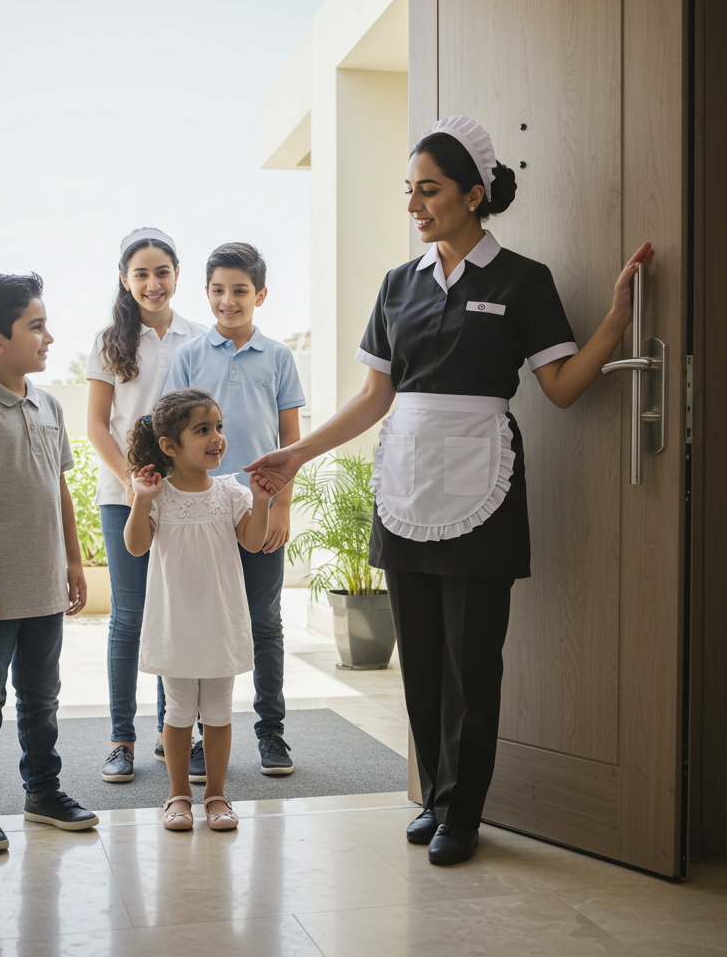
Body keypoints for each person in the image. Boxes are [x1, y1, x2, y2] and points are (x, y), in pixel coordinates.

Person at [246, 115, 653, 866]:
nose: (414, 206)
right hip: (405, 480)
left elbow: (561, 387)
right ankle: (434, 798)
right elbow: (375, 397)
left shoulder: (523, 280)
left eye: (428, 190)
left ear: (472, 194)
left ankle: (463, 813)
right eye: (409, 190)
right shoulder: (398, 284)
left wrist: (616, 323)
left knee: (473, 662)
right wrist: (297, 453)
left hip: (481, 481)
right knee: (424, 658)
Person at [0, 272, 99, 853]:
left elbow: (60, 490)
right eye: (36, 326)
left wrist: (74, 562)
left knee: (42, 699)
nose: (48, 337)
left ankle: (43, 793)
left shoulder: (49, 405)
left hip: (44, 588)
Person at [163, 243, 305, 777]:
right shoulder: (188, 356)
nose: (229, 300)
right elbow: (166, 429)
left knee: (265, 621)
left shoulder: (280, 357)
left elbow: (291, 440)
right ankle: (190, 736)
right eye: (218, 290)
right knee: (193, 622)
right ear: (206, 293)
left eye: (240, 290)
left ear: (260, 295)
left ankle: (271, 733)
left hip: (259, 508)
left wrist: (281, 508)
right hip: (199, 513)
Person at [123, 388, 275, 830]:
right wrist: (141, 500)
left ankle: (216, 796)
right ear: (170, 446)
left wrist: (261, 501)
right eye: (203, 430)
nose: (217, 437)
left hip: (220, 623)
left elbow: (252, 542)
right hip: (175, 626)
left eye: (219, 427)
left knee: (219, 714)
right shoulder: (159, 494)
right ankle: (177, 797)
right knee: (178, 713)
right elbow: (136, 546)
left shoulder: (230, 492)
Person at [86, 228, 207, 784]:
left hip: (184, 499)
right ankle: (121, 739)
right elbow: (96, 425)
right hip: (123, 497)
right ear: (124, 279)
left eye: (162, 272)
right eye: (141, 274)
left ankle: (171, 734)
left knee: (175, 615)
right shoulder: (109, 341)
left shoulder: (199, 339)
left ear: (178, 274)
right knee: (130, 617)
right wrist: (132, 483)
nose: (153, 283)